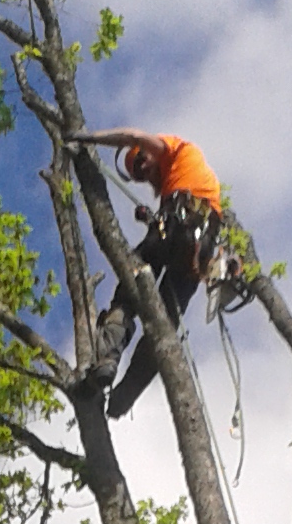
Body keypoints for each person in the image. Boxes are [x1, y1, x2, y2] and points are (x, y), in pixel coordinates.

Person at [73, 128, 224, 417]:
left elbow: (132, 136)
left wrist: (88, 138)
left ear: (151, 150)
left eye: (140, 160)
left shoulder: (177, 149)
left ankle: (106, 360)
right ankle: (122, 399)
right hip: (197, 248)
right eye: (137, 173)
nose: (142, 169)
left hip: (182, 229)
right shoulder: (191, 177)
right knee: (164, 324)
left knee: (128, 293)